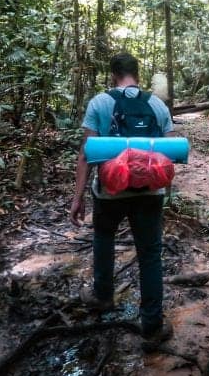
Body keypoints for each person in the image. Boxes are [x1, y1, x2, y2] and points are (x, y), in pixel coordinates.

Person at [69, 52, 175, 350]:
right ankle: (152, 326)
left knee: (104, 239)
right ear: (137, 74)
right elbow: (168, 155)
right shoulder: (156, 104)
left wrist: (77, 198)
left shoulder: (99, 103)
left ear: (113, 74)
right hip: (148, 194)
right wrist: (165, 190)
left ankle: (103, 296)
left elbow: (86, 153)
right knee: (150, 254)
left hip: (109, 192)